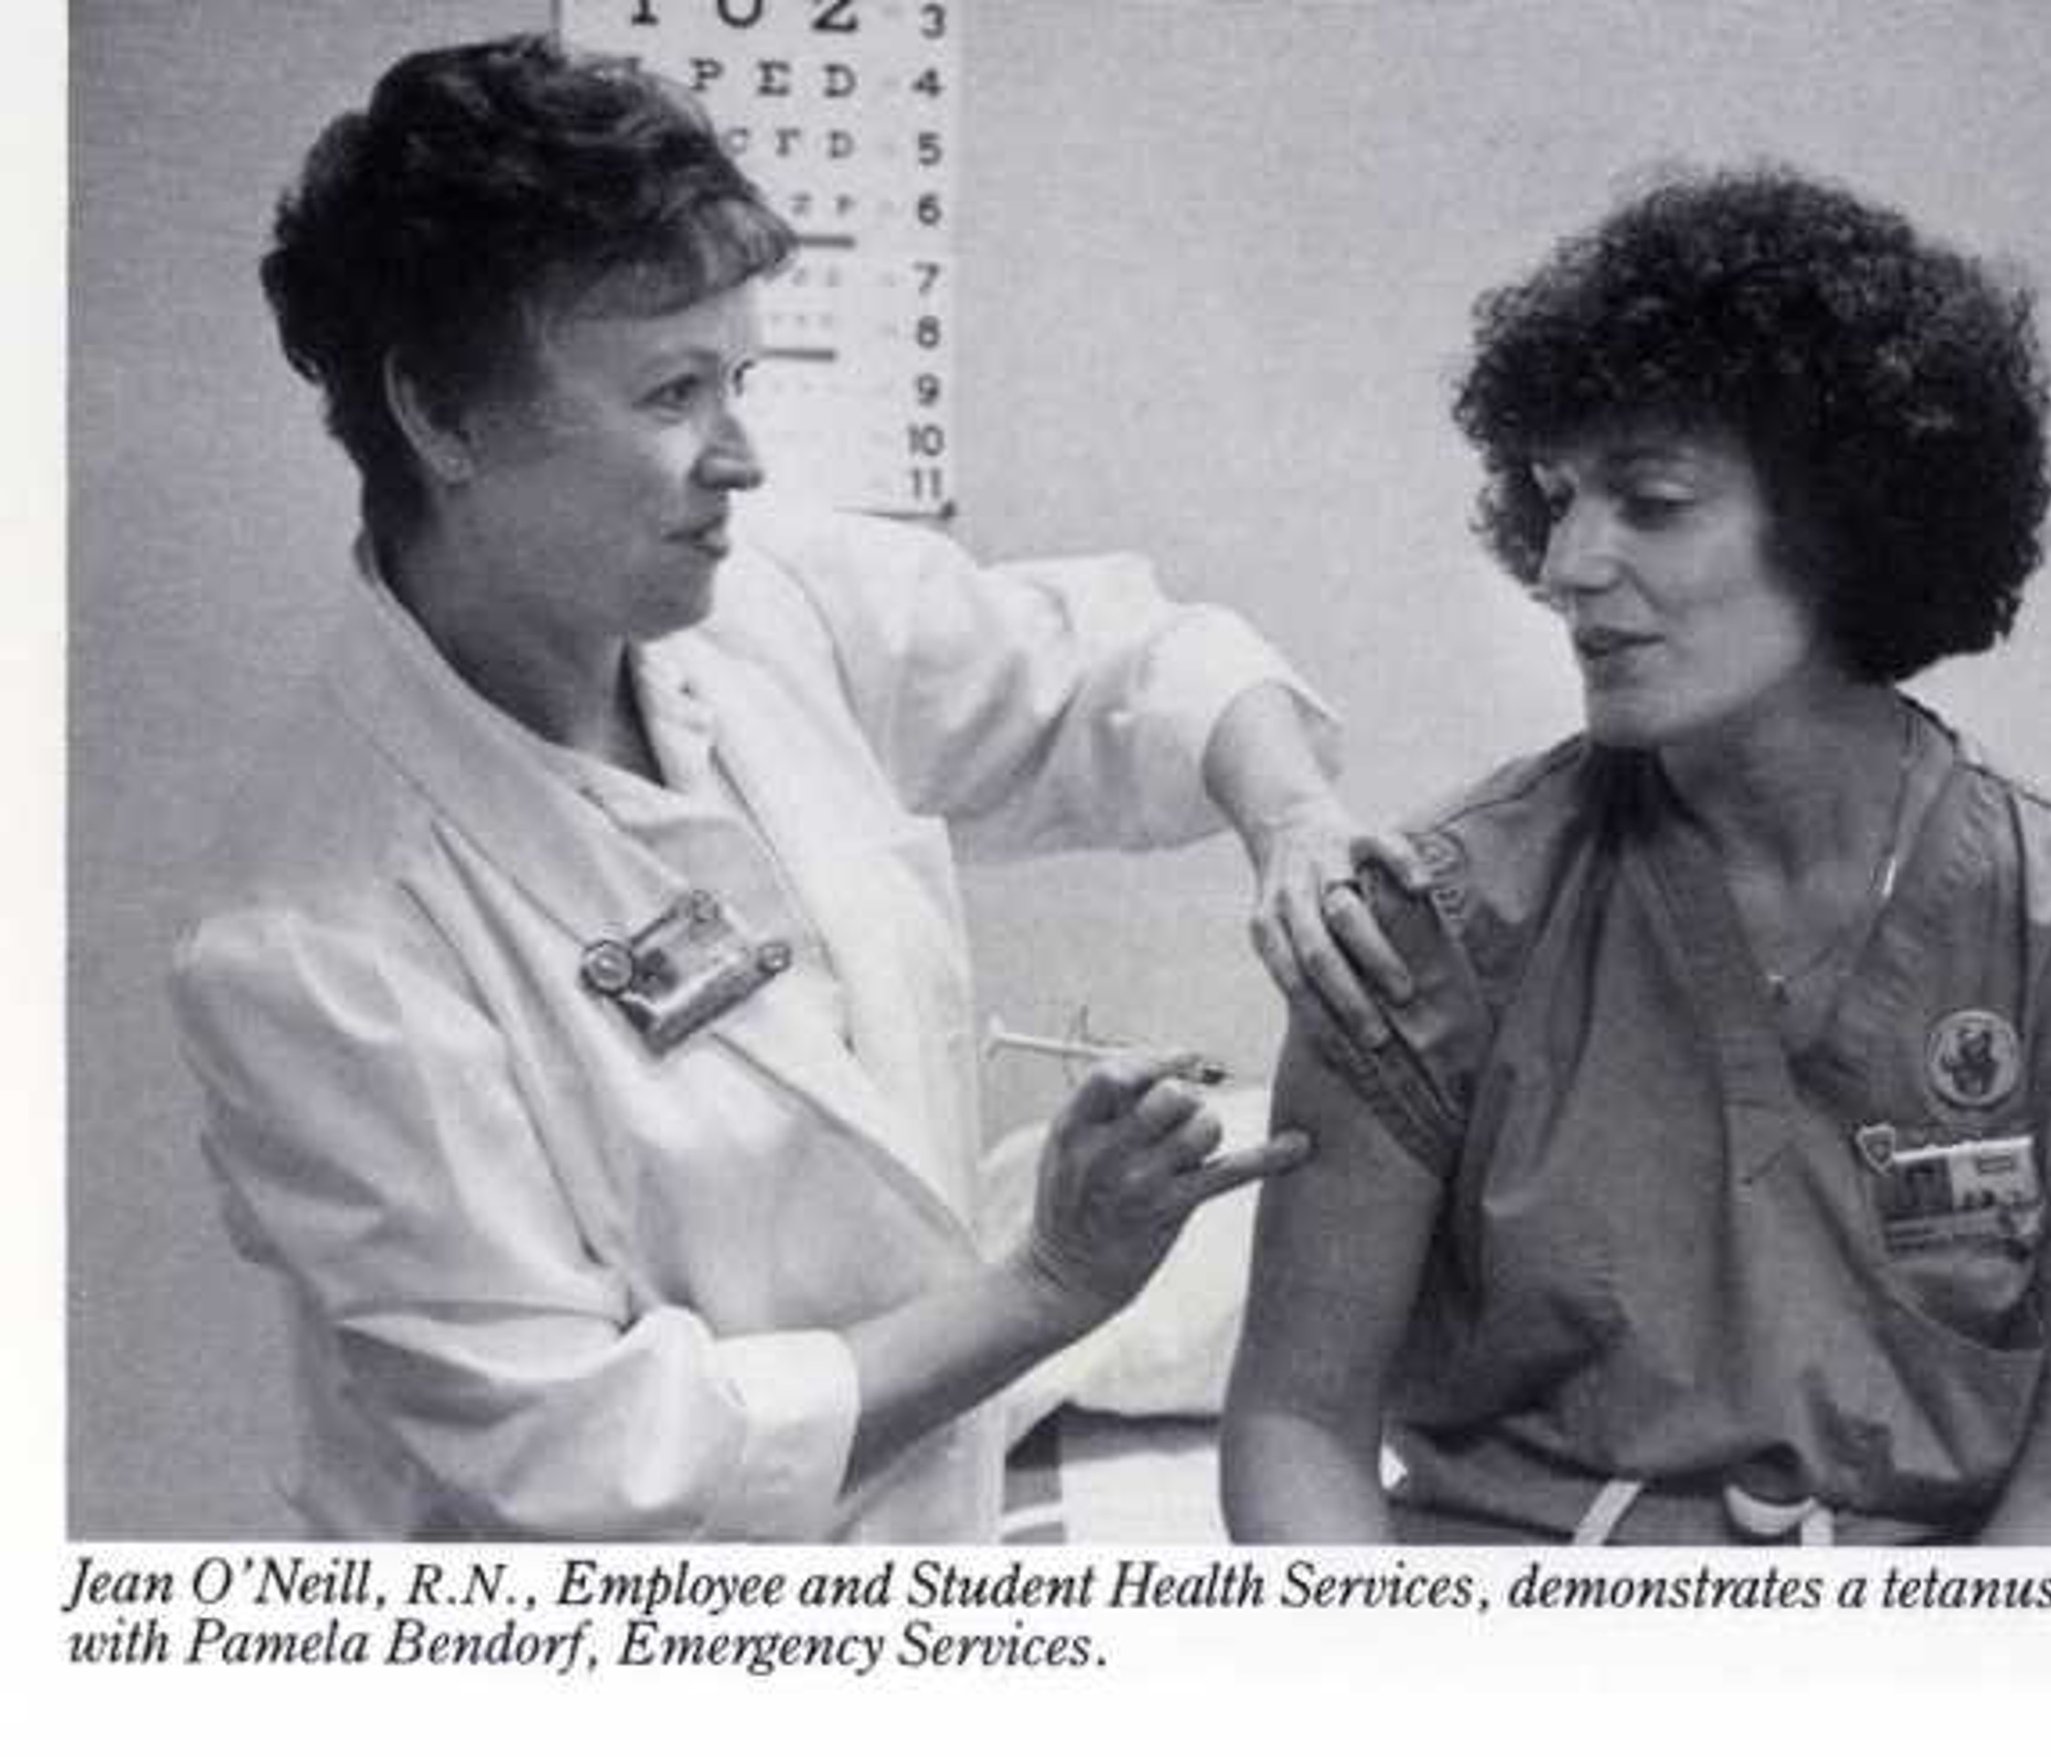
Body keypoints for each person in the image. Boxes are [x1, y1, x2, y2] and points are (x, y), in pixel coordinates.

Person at [169, 34, 1419, 1542]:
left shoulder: (758, 605)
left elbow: (1125, 663)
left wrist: (1290, 818)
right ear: (443, 417)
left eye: (739, 379)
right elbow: (592, 1453)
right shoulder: (313, 946)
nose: (742, 458)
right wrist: (1051, 1283)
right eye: (673, 393)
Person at [1222, 167, 2051, 1546]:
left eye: (1652, 502)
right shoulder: (1427, 923)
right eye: (1556, 498)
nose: (1567, 564)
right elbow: (1296, 1425)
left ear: (1844, 518)